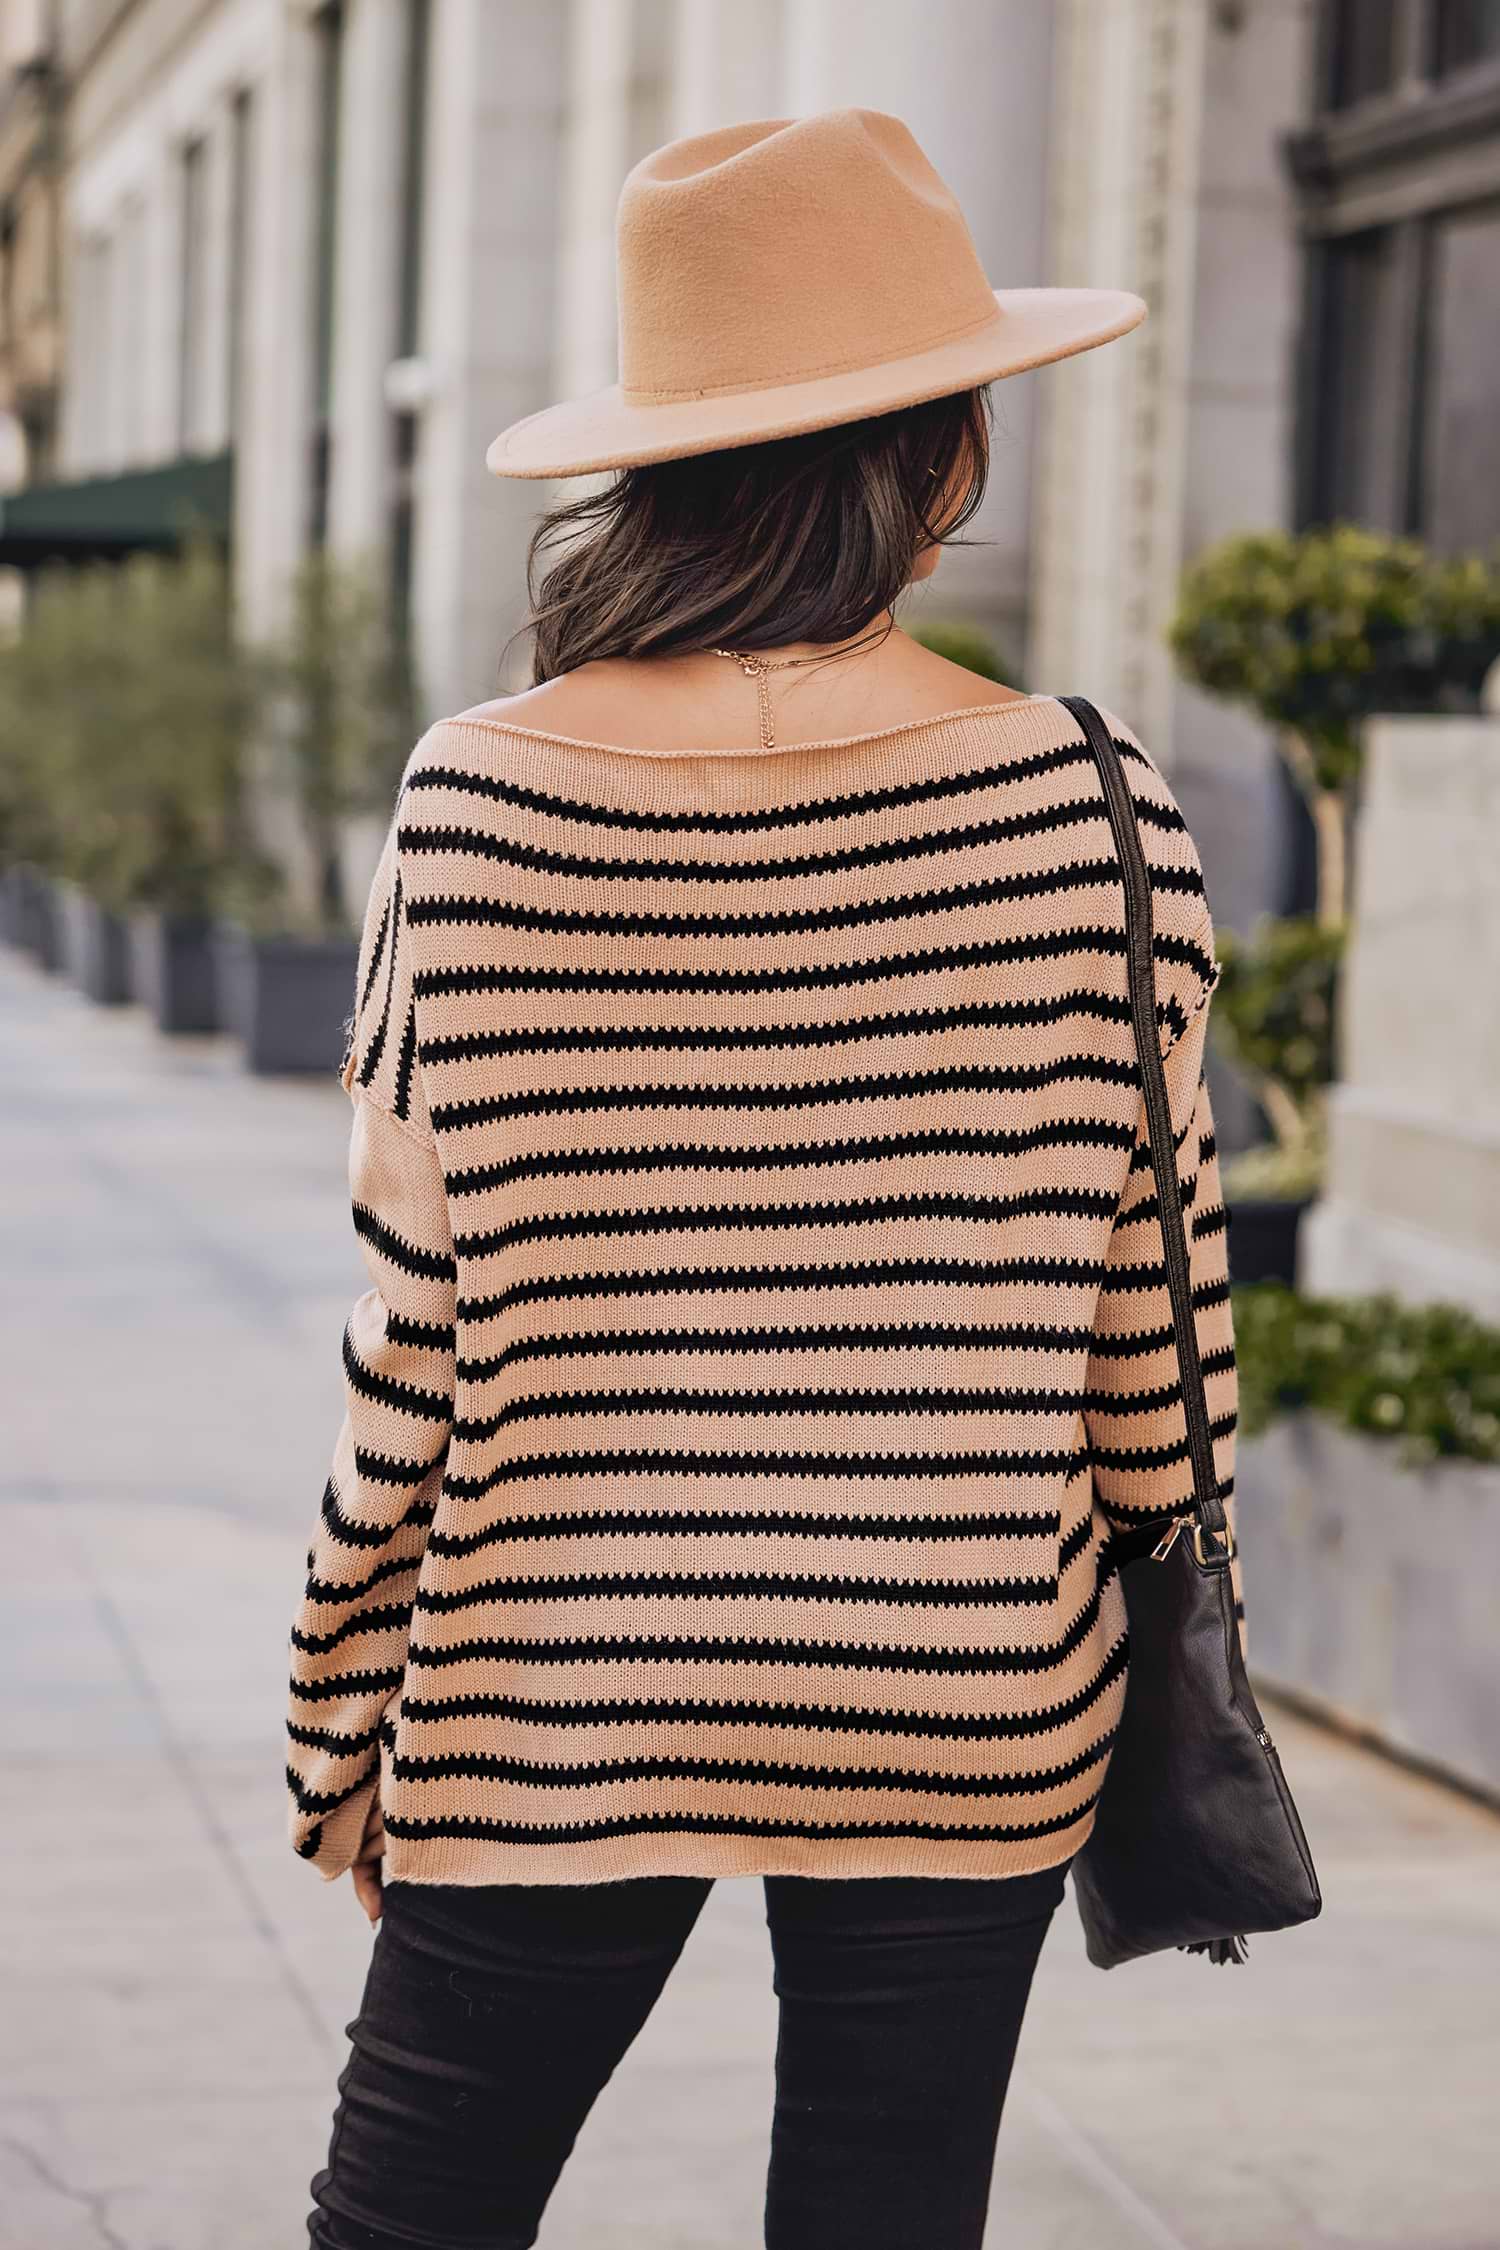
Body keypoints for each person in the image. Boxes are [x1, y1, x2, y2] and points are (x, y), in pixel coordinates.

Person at [288, 109, 1238, 2250]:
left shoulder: (476, 805)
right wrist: (1190, 1656)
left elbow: (413, 1335)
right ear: (946, 458)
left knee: (406, 2223)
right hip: (958, 1676)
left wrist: (343, 1716)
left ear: (657, 460)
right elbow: (1159, 1346)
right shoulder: (1094, 808)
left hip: (553, 1680)